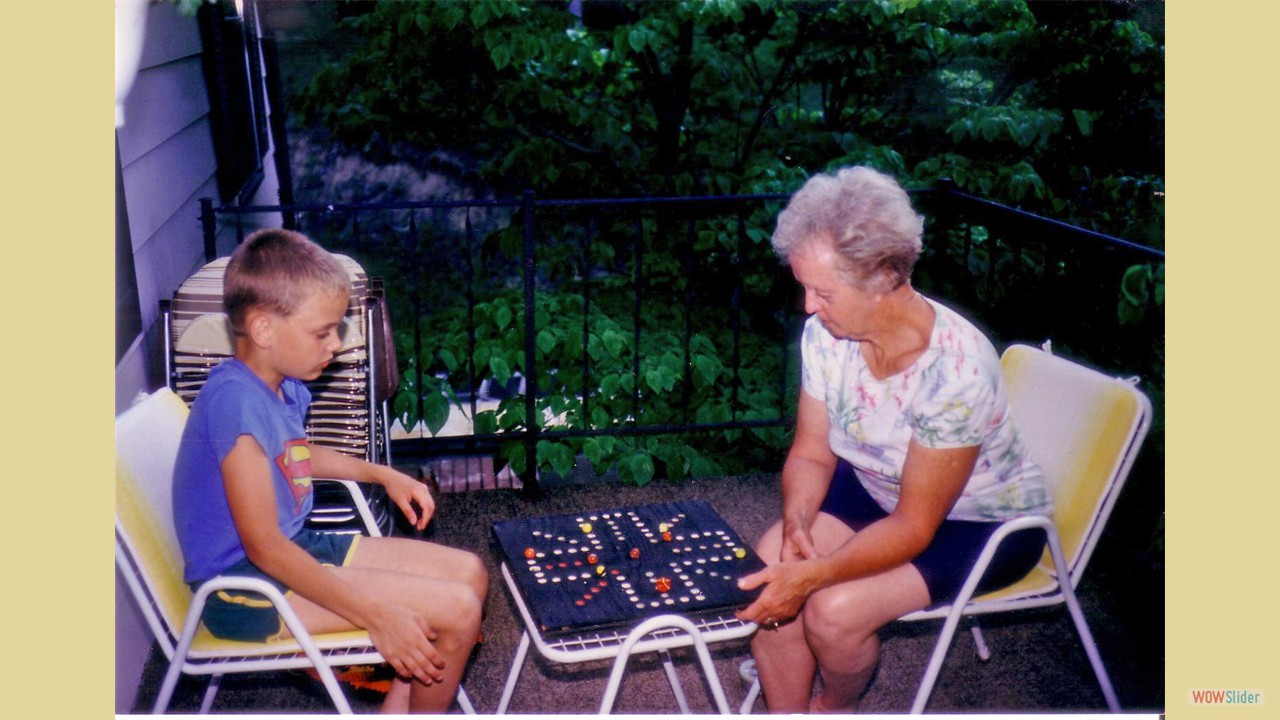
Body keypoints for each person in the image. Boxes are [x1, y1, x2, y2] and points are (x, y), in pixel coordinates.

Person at [735, 166, 1051, 713]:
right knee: (766, 574)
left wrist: (816, 572)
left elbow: (913, 524)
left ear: (884, 279)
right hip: (877, 485)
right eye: (804, 286)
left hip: (980, 521)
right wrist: (797, 520)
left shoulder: (956, 370)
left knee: (832, 611)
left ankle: (835, 706)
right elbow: (811, 453)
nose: (808, 306)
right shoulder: (826, 335)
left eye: (823, 292)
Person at [173, 228, 487, 713]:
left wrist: (383, 475)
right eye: (323, 332)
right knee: (457, 611)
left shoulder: (277, 383)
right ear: (263, 330)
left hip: (293, 550)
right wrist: (376, 616)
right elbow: (263, 547)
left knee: (470, 574)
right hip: (246, 589)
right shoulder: (234, 404)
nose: (336, 344)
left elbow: (297, 454)